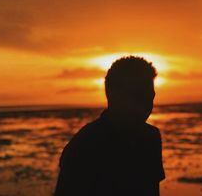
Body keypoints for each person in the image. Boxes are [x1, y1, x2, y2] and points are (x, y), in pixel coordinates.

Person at [54, 56, 165, 196]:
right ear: (111, 94)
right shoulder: (85, 146)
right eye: (136, 95)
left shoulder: (150, 137)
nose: (144, 104)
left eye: (149, 96)